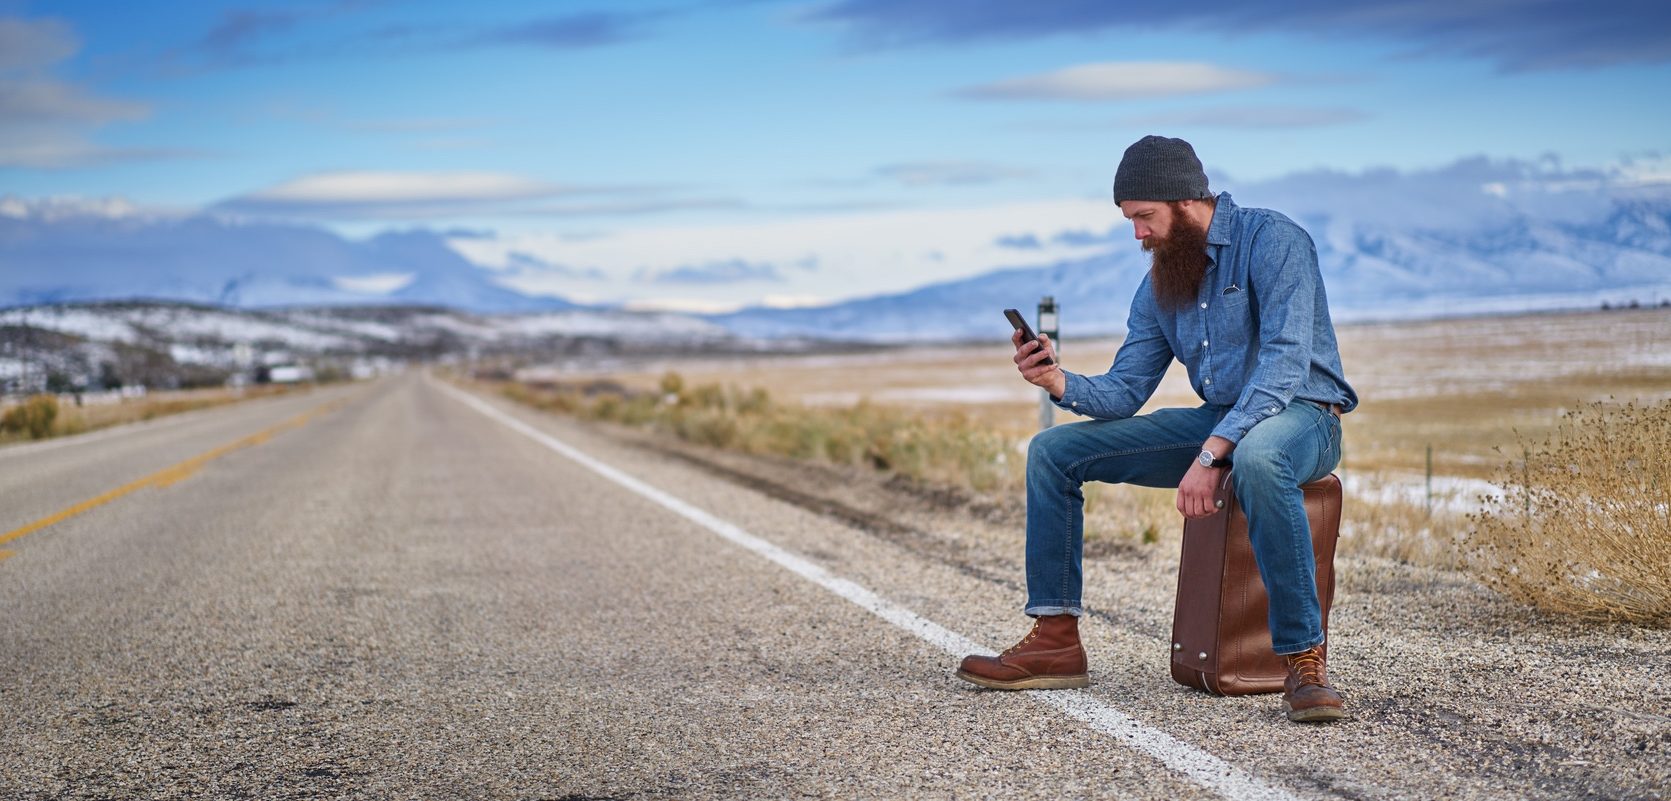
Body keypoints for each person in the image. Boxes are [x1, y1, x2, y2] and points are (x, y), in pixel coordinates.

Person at [956, 135, 1359, 723]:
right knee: (1052, 451)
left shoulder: (1274, 241)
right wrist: (1056, 380)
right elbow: (1124, 391)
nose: (1137, 235)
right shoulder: (1159, 284)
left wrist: (1211, 454)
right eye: (1130, 220)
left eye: (1144, 217)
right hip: (1221, 422)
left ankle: (1303, 661)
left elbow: (1284, 364)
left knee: (1258, 457)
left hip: (1303, 416)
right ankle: (1056, 639)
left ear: (1187, 202)